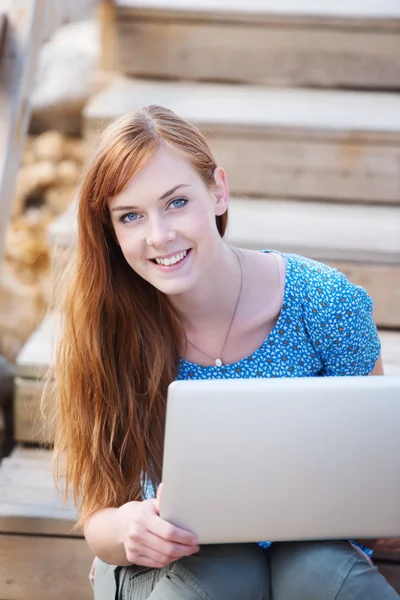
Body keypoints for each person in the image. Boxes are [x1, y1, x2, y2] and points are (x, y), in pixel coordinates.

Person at [48, 104, 399, 600]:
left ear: (217, 191)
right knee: (222, 572)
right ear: (111, 231)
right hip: (172, 563)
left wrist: (378, 516)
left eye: (175, 203)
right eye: (131, 216)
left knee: (317, 569)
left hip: (312, 551)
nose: (159, 235)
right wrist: (130, 528)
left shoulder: (326, 303)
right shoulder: (108, 328)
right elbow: (98, 521)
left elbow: (378, 482)